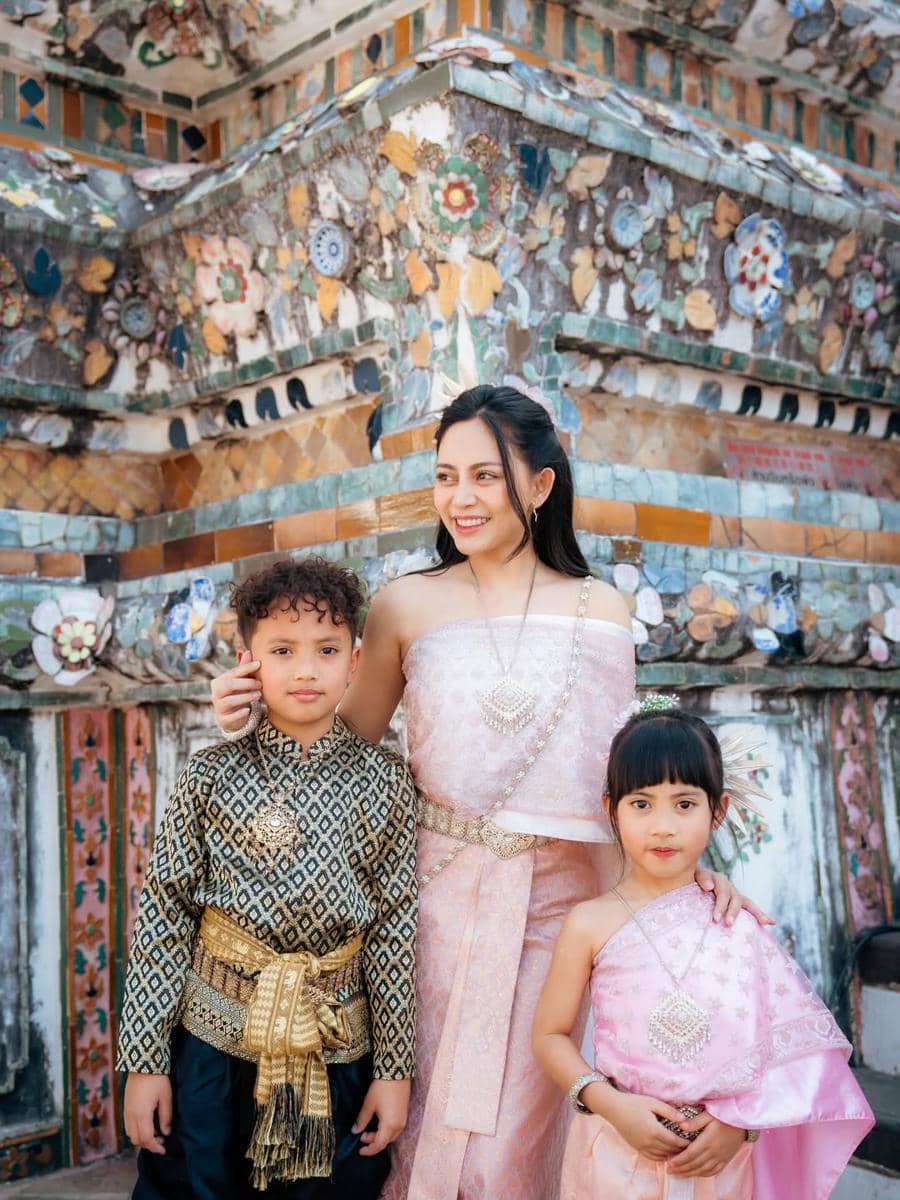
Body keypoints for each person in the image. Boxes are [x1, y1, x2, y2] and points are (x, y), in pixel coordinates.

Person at [212, 385, 761, 1200]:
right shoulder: (406, 603)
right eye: (445, 477)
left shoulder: (601, 610)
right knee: (420, 1132)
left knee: (513, 1151)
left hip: (562, 917)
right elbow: (340, 758)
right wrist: (248, 719)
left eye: (485, 476)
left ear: (539, 485)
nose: (460, 498)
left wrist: (687, 880)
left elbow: (627, 783)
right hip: (429, 912)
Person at [117, 557, 418, 1200]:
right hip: (211, 1049)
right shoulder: (208, 774)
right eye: (282, 650)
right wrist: (144, 1061)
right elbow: (163, 918)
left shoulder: (388, 781)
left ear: (355, 660)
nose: (306, 670)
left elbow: (395, 933)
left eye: (326, 650)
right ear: (247, 659)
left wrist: (394, 1071)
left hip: (335, 1047)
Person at [533, 706, 874, 1200]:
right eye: (641, 803)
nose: (663, 826)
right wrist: (609, 1104)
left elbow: (793, 1049)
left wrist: (742, 1126)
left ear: (718, 810)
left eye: (685, 804)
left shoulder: (736, 922)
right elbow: (549, 1035)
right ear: (612, 808)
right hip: (614, 1150)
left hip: (720, 1161)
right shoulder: (589, 923)